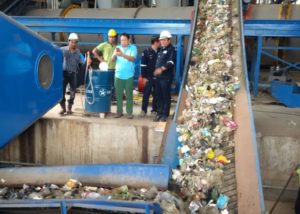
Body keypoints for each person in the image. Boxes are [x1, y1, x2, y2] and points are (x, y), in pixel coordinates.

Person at [111, 33, 137, 119]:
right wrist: (115, 55)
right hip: (118, 75)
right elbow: (112, 60)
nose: (122, 42)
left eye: (124, 40)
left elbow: (133, 59)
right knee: (118, 95)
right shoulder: (117, 48)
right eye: (121, 40)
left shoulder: (133, 48)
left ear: (129, 40)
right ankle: (119, 112)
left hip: (129, 75)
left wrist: (122, 55)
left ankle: (129, 112)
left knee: (129, 95)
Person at [153, 30, 176, 122]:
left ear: (169, 40)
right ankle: (159, 113)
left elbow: (171, 62)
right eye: (161, 40)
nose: (162, 41)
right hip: (158, 78)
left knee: (165, 96)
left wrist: (161, 69)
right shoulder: (161, 49)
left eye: (164, 40)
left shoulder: (171, 50)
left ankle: (165, 114)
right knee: (158, 95)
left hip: (166, 78)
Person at [59, 33, 84, 115]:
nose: (74, 44)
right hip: (63, 73)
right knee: (61, 92)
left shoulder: (78, 51)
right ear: (68, 41)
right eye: (72, 42)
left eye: (75, 42)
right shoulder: (62, 49)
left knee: (73, 92)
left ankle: (69, 108)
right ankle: (63, 108)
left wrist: (85, 62)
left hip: (73, 74)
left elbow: (81, 62)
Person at [139, 36, 161, 117]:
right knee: (146, 94)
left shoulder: (160, 51)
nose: (160, 43)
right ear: (155, 42)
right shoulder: (146, 52)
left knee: (156, 94)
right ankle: (143, 110)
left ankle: (154, 110)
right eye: (159, 42)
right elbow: (143, 65)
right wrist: (144, 77)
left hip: (158, 77)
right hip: (148, 77)